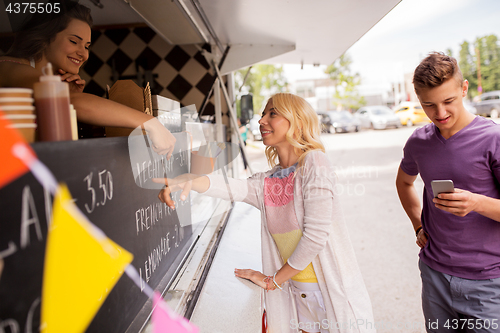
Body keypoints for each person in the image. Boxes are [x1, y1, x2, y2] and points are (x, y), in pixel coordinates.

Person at [155, 93, 375, 333]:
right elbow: (233, 187)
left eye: (273, 113)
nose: (261, 121)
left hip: (329, 295)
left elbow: (315, 237)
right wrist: (188, 180)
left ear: (298, 121)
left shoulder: (315, 162)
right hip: (298, 297)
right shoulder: (269, 181)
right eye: (262, 114)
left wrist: (273, 280)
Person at [396, 52, 500, 332]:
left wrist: (476, 203)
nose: (440, 114)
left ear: (463, 89)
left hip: (489, 282)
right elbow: (404, 183)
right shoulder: (418, 142)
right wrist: (418, 225)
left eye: (449, 101)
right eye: (429, 105)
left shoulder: (493, 138)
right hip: (435, 276)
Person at [0, 1, 175, 157]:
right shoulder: (8, 66)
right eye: (74, 41)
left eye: (87, 46)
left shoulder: (43, 77)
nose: (83, 53)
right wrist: (150, 123)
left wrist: (68, 99)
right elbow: (73, 102)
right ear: (45, 37)